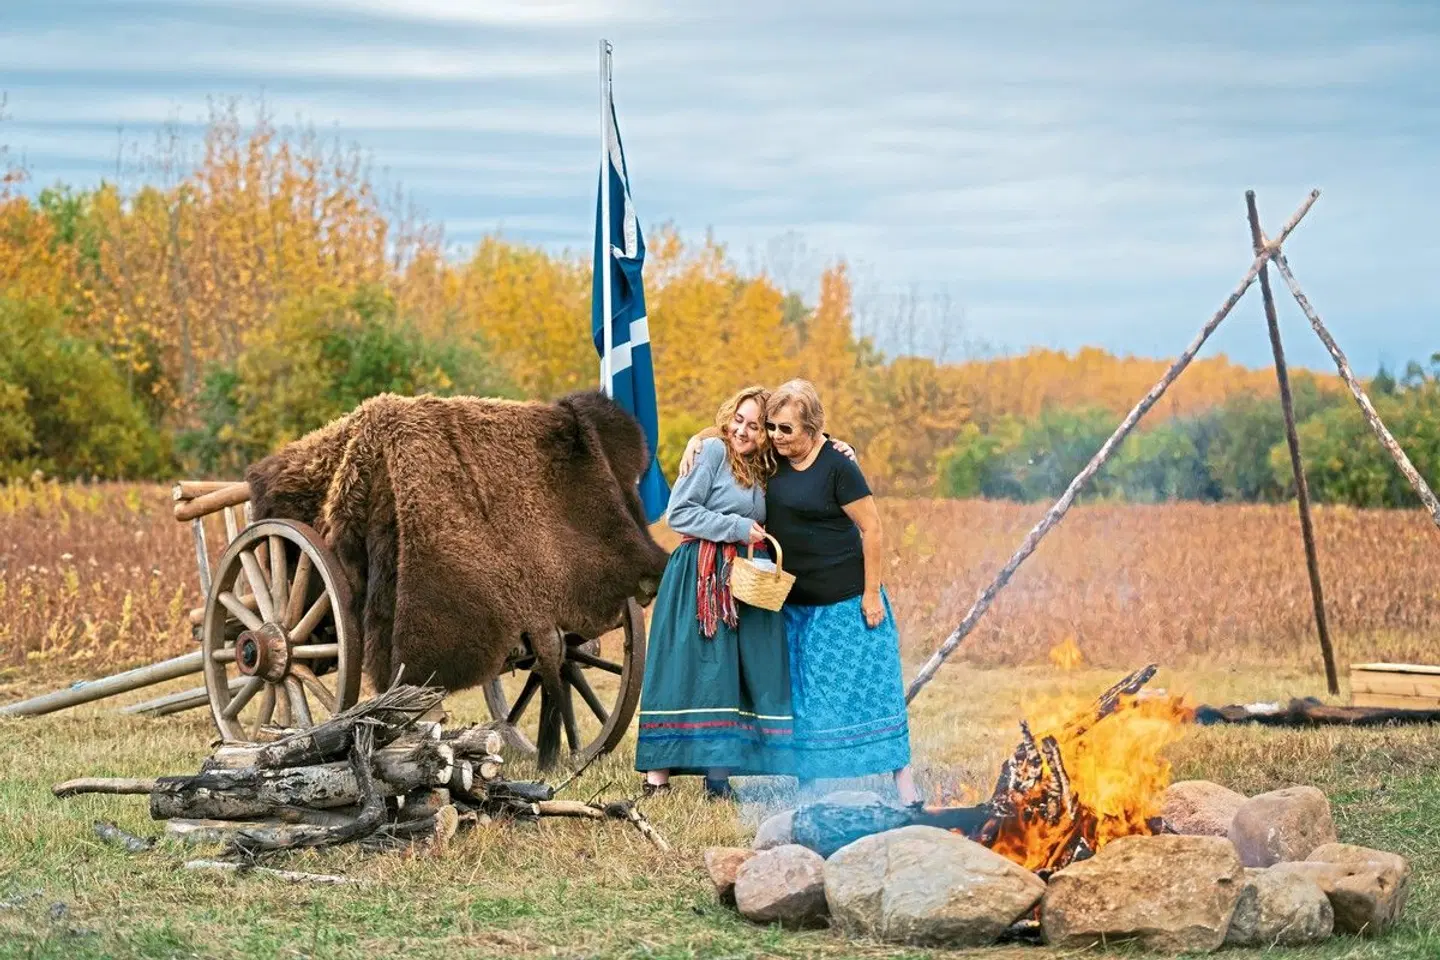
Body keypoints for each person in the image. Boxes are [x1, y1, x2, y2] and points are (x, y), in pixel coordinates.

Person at [680, 379, 920, 806]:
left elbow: (873, 529)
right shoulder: (774, 460)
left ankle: (904, 783)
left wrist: (870, 593)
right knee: (805, 703)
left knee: (874, 692)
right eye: (772, 427)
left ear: (812, 428)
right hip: (793, 605)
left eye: (785, 429)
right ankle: (808, 785)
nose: (775, 436)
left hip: (847, 600)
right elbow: (736, 431)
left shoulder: (839, 466)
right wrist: (695, 441)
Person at [634, 386, 794, 799]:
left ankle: (717, 778)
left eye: (755, 426)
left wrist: (838, 446)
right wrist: (738, 528)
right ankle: (657, 781)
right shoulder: (712, 453)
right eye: (738, 420)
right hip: (699, 575)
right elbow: (681, 513)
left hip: (739, 578)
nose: (743, 431)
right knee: (684, 669)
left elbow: (803, 437)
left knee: (726, 674)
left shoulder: (762, 468)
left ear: (766, 433)